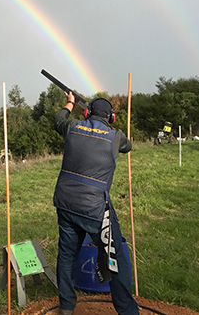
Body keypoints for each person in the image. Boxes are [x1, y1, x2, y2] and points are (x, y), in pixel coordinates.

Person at [53, 92, 138, 315]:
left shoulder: (72, 127)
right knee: (114, 256)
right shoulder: (115, 136)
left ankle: (66, 307)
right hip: (94, 208)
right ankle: (128, 311)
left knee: (67, 254)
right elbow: (128, 146)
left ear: (86, 112)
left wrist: (70, 103)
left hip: (65, 201)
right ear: (112, 118)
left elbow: (58, 121)